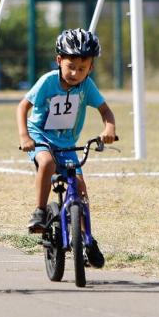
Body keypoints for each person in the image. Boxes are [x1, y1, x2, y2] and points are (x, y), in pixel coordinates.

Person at [17, 28, 116, 268]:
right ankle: (40, 211)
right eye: (70, 66)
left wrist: (109, 129)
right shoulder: (48, 82)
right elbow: (22, 107)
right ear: (59, 60)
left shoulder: (87, 86)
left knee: (80, 187)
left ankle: (87, 238)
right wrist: (25, 136)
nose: (75, 73)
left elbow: (106, 111)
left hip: (67, 144)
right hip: (41, 138)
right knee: (48, 163)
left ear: (90, 68)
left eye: (82, 69)